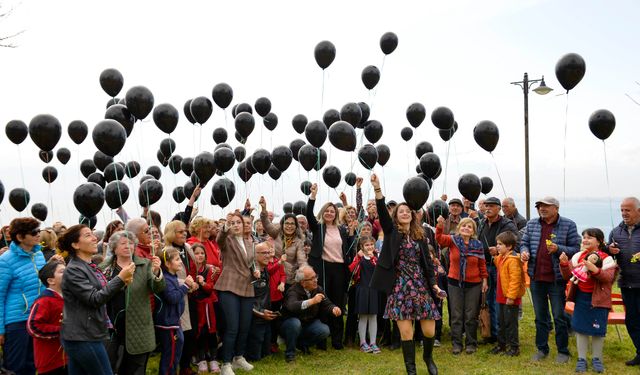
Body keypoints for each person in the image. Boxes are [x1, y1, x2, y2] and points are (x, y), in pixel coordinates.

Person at [369, 174, 443, 375]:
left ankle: (428, 358)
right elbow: (383, 213)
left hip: (420, 287)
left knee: (429, 330)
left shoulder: (421, 235)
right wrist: (377, 188)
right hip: (400, 288)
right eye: (400, 211)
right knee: (406, 333)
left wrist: (434, 285)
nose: (404, 213)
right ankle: (411, 370)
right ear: (396, 216)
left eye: (407, 211)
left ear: (412, 214)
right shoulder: (393, 233)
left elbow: (428, 264)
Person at [58, 224, 135, 375]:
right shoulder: (74, 269)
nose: (95, 238)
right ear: (75, 244)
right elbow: (94, 298)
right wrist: (119, 278)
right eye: (88, 235)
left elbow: (101, 292)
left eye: (93, 234)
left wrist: (121, 283)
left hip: (86, 333)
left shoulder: (90, 266)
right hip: (83, 337)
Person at [520, 196, 580, 363]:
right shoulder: (532, 224)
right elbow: (523, 242)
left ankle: (563, 351)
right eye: (539, 206)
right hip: (536, 277)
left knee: (559, 316)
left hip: (556, 279)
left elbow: (576, 249)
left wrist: (558, 248)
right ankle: (541, 349)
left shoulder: (568, 225)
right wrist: (524, 251)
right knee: (540, 317)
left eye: (546, 206)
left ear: (556, 208)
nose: (542, 209)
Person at [101, 231, 165, 375]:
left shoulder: (145, 264)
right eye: (123, 243)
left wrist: (156, 272)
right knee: (110, 366)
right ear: (114, 248)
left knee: (136, 368)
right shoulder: (104, 267)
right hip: (111, 326)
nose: (128, 246)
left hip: (138, 325)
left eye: (130, 243)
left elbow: (157, 288)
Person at [305, 183, 356, 350]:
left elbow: (348, 246)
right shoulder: (318, 227)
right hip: (323, 268)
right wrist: (313, 195)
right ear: (323, 212)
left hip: (339, 270)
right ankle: (322, 340)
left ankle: (337, 339)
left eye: (332, 211)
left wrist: (350, 233)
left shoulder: (341, 229)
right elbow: (308, 214)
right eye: (326, 210)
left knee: (338, 304)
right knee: (323, 301)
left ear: (336, 214)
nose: (329, 213)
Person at [560, 228, 617, 373]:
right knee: (580, 329)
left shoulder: (607, 259)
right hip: (581, 299)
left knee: (598, 330)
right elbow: (568, 276)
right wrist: (564, 264)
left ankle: (597, 359)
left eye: (590, 237)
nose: (585, 240)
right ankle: (582, 359)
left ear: (599, 241)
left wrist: (594, 269)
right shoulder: (578, 256)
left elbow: (608, 278)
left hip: (599, 300)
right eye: (584, 237)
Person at [0, 217, 48, 375]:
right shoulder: (5, 261)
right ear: (20, 237)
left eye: (38, 231)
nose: (38, 235)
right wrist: (0, 329)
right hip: (16, 322)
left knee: (36, 365)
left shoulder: (39, 255)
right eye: (33, 232)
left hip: (38, 317)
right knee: (16, 367)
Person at [435, 215, 488, 356]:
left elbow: (482, 264)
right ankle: (456, 344)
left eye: (469, 226)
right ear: (459, 228)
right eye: (463, 225)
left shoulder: (478, 245)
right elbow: (439, 239)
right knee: (457, 315)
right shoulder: (452, 241)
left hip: (474, 284)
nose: (466, 228)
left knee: (471, 315)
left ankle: (471, 343)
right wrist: (440, 225)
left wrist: (485, 280)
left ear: (473, 231)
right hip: (454, 283)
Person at [215, 211, 258, 375]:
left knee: (245, 325)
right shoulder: (226, 240)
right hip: (229, 286)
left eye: (238, 222)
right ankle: (225, 364)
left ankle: (238, 357)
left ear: (244, 224)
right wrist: (225, 227)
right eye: (232, 223)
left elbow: (252, 263)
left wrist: (256, 271)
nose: (236, 225)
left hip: (247, 287)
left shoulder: (249, 243)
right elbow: (219, 238)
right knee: (232, 327)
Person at [476, 197, 519, 344]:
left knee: (501, 302)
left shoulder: (507, 224)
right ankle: (493, 334)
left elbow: (515, 244)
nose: (487, 208)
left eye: (491, 206)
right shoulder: (481, 223)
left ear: (498, 208)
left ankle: (505, 336)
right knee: (488, 300)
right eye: (486, 206)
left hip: (501, 267)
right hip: (485, 266)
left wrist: (499, 251)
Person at [279, 266, 341, 362]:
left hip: (307, 323)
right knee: (295, 324)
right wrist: (311, 301)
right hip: (289, 323)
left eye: (315, 276)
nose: (315, 280)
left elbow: (327, 303)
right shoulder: (293, 291)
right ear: (303, 283)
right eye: (312, 278)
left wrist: (333, 308)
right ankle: (290, 354)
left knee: (324, 330)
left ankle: (301, 344)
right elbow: (292, 306)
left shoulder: (318, 289)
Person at [608, 197, 640, 366]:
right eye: (622, 210)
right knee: (632, 320)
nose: (624, 213)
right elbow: (608, 253)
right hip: (626, 283)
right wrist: (609, 249)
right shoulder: (615, 231)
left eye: (627, 210)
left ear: (638, 211)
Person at [163, 220, 199, 375]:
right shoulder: (166, 250)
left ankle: (185, 366)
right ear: (171, 233)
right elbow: (166, 276)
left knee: (193, 331)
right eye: (179, 231)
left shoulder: (188, 247)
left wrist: (196, 281)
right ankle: (177, 368)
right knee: (183, 333)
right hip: (179, 295)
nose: (184, 233)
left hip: (192, 294)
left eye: (185, 230)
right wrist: (186, 283)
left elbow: (194, 268)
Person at [156, 247, 196, 375]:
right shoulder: (166, 280)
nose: (180, 262)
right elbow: (172, 298)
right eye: (177, 259)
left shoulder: (172, 277)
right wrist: (185, 286)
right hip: (168, 324)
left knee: (176, 353)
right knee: (171, 355)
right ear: (167, 264)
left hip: (174, 321)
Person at [27, 260, 67, 375]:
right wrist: (62, 330)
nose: (67, 273)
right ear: (51, 280)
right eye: (62, 271)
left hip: (68, 358)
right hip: (50, 362)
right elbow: (33, 327)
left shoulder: (68, 297)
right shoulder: (44, 301)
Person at [489, 232, 525, 356]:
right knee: (501, 322)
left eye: (500, 244)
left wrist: (511, 296)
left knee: (511, 323)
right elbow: (497, 263)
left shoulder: (513, 260)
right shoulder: (503, 257)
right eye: (497, 244)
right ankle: (502, 345)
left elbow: (515, 280)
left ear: (509, 247)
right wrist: (495, 255)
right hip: (500, 296)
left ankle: (514, 347)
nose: (497, 246)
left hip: (510, 298)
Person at [259, 196, 307, 288]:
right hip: (273, 276)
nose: (289, 226)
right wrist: (264, 209)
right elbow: (266, 223)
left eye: (292, 224)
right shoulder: (276, 234)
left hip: (289, 279)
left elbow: (302, 259)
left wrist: (303, 270)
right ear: (282, 224)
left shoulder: (298, 241)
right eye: (287, 223)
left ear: (296, 226)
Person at [189, 243, 220, 374]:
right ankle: (201, 359)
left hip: (208, 306)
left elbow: (210, 288)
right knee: (198, 332)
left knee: (211, 332)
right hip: (195, 305)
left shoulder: (209, 269)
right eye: (196, 253)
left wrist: (202, 282)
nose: (200, 256)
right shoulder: (190, 270)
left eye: (202, 253)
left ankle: (213, 359)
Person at [246, 242, 278, 362]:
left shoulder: (265, 271)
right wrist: (259, 313)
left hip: (266, 317)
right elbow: (246, 301)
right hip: (254, 319)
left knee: (266, 354)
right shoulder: (249, 273)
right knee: (255, 357)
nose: (268, 256)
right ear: (255, 255)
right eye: (264, 253)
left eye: (269, 252)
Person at [348, 236, 380, 354]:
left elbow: (380, 271)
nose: (370, 247)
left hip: (373, 290)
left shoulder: (376, 258)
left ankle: (373, 342)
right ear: (361, 247)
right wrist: (358, 257)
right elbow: (351, 269)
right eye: (366, 245)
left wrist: (373, 259)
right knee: (363, 316)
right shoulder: (360, 258)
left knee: (373, 316)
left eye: (371, 244)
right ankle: (362, 342)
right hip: (362, 289)